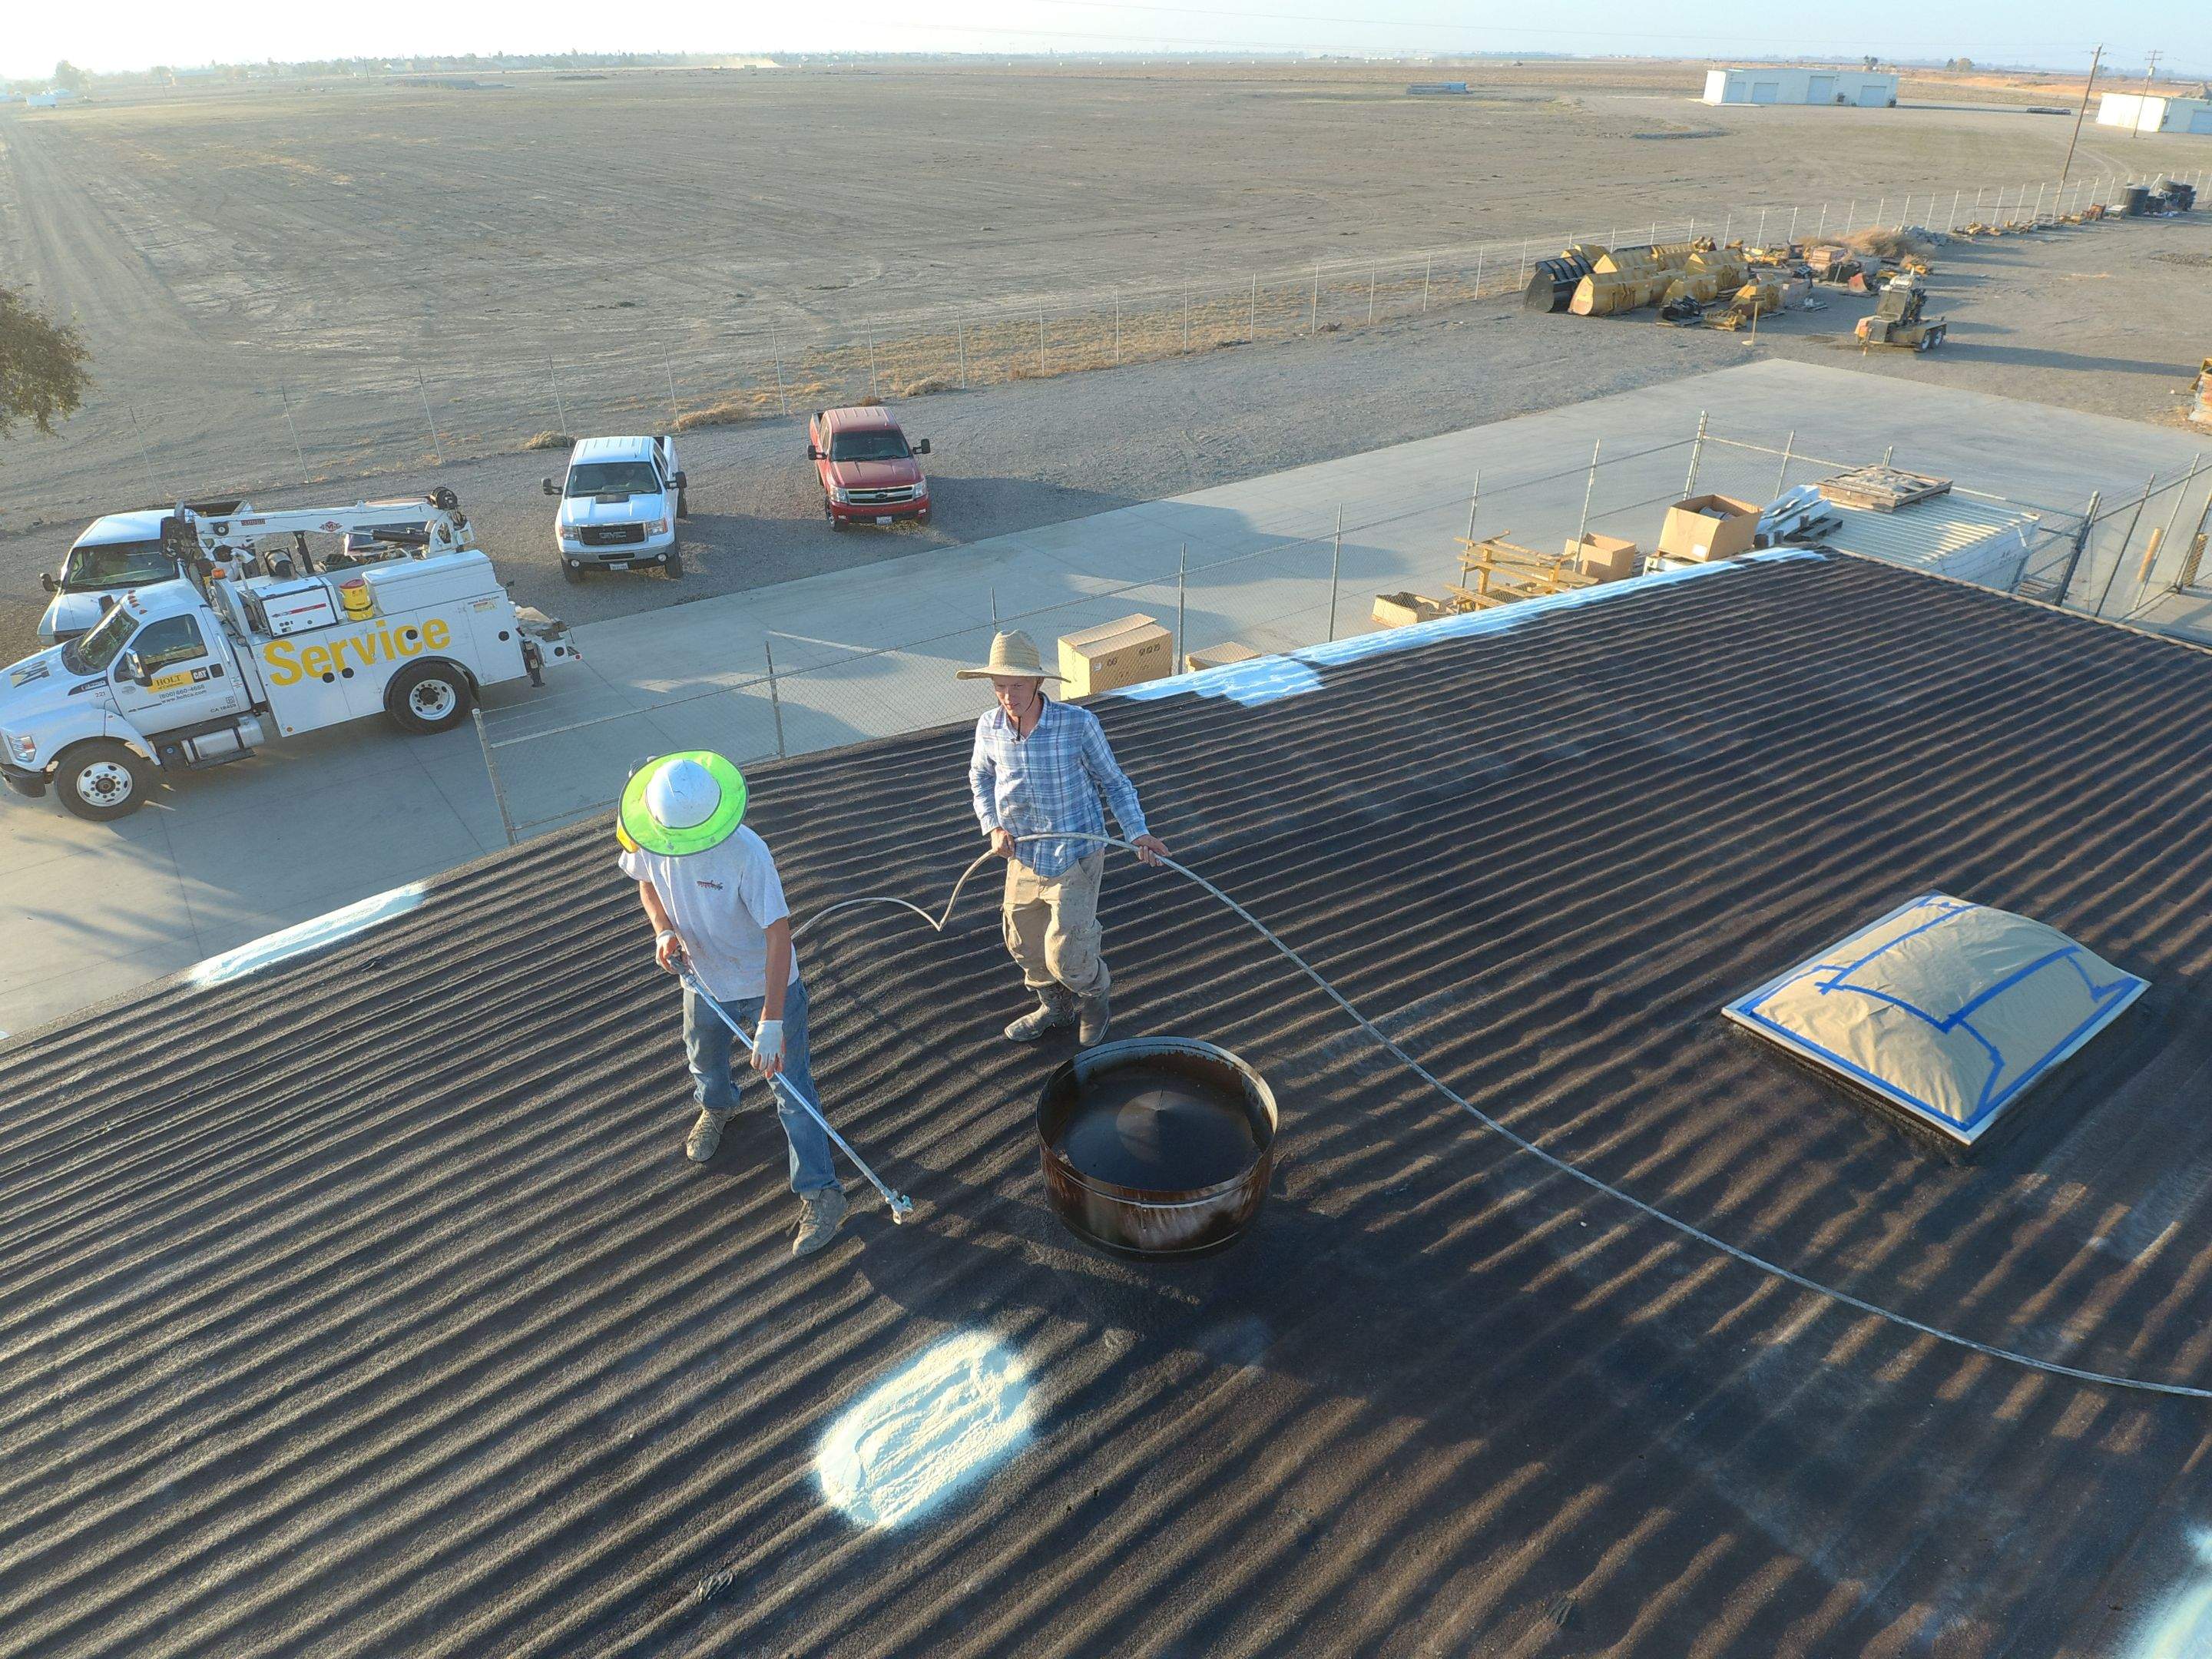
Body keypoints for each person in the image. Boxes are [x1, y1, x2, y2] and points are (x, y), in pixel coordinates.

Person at [618, 751, 847, 1257]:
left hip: (766, 982)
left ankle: (822, 1191)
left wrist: (770, 1020)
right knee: (702, 1053)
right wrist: (663, 930)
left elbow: (778, 933)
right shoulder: (653, 833)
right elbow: (646, 883)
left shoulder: (747, 853)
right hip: (701, 977)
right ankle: (719, 1107)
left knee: (790, 1087)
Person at [959, 630, 1167, 1046]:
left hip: (1075, 853)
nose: (1008, 695)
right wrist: (993, 826)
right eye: (999, 686)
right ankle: (1055, 1009)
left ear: (1037, 683)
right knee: (1024, 944)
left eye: (1016, 685)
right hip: (1023, 853)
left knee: (1067, 955)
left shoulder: (1078, 724)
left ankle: (1094, 996)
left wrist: (1138, 832)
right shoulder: (990, 727)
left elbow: (1115, 782)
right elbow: (980, 777)